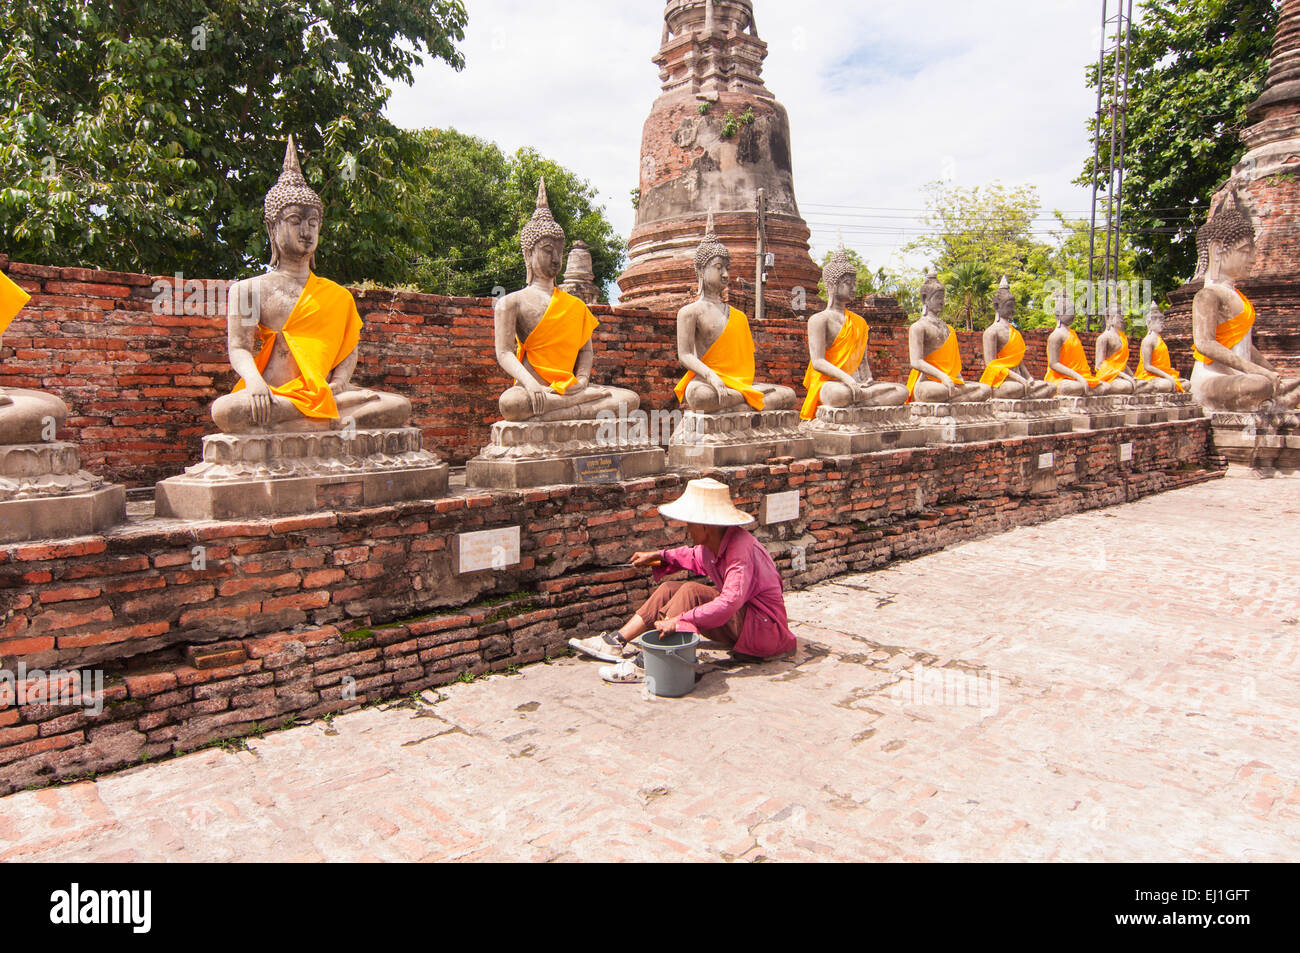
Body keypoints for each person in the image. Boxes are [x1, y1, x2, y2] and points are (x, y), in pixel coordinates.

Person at [569, 478, 797, 684]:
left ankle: (650, 661)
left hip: (764, 630)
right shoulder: (713, 546)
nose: (687, 528)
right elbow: (690, 556)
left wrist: (680, 619)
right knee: (669, 588)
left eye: (690, 523)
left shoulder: (741, 550)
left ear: (706, 526)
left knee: (690, 591)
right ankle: (616, 641)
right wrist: (658, 557)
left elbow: (729, 603)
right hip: (745, 624)